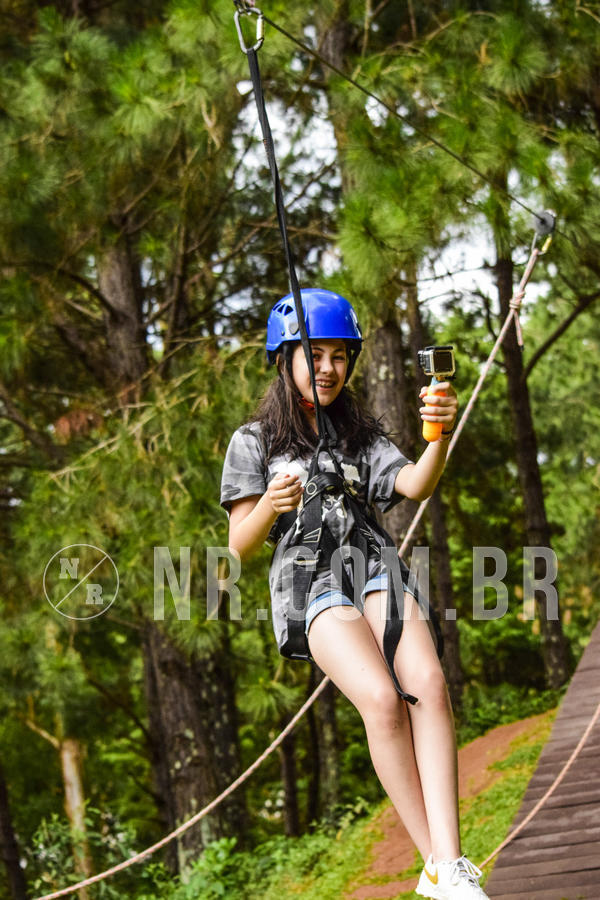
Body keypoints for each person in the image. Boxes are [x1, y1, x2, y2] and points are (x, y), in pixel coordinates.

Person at [220, 288, 490, 900]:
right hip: (307, 582)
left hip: (373, 566)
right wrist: (270, 504)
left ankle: (449, 865)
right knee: (380, 699)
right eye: (315, 353)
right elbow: (238, 543)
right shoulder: (253, 441)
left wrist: (438, 433)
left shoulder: (360, 434)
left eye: (341, 356)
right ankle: (435, 861)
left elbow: (415, 484)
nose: (328, 368)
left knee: (427, 682)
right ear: (284, 357)